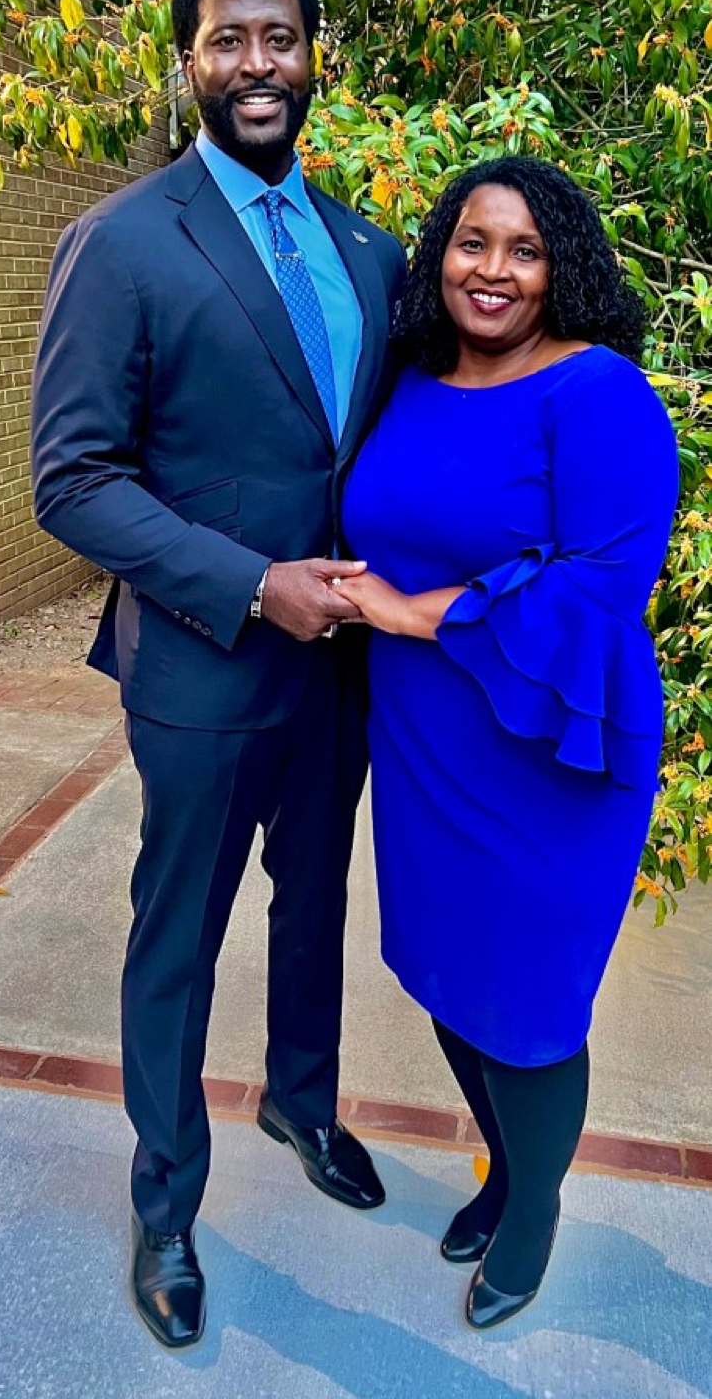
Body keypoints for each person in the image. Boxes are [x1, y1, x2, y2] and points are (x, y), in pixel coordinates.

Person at [31, 0, 407, 1350]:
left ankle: (300, 1102)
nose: (257, 64)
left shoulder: (370, 246)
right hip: (203, 664)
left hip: (343, 672)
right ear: (189, 59)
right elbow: (73, 479)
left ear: (315, 54)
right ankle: (167, 1203)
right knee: (175, 936)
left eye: (280, 38)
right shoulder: (124, 241)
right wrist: (254, 586)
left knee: (315, 904)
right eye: (227, 40)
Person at [341, 157, 678, 1331]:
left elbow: (598, 587)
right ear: (441, 254)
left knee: (531, 1001)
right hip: (427, 741)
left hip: (552, 751)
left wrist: (405, 610)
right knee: (445, 972)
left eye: (524, 250)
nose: (492, 270)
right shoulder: (413, 381)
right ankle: (509, 1168)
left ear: (561, 267)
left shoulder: (598, 395)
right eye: (472, 242)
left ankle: (527, 1215)